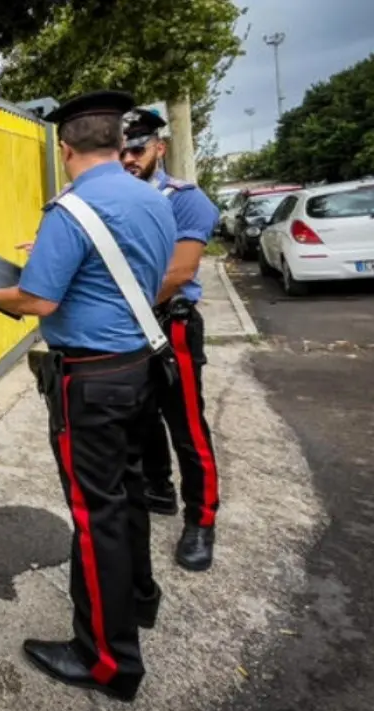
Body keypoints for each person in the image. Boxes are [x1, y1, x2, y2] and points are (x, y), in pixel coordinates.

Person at [0, 90, 177, 702]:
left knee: (95, 514)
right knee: (129, 495)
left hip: (93, 381)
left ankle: (109, 662)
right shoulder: (151, 198)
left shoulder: (72, 209)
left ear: (65, 148)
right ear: (119, 142)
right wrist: (53, 263)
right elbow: (138, 274)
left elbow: (37, 301)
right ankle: (139, 601)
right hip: (140, 366)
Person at [121, 108, 222, 571]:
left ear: (159, 148)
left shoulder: (184, 199)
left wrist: (126, 309)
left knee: (186, 425)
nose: (129, 159)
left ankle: (201, 522)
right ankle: (158, 490)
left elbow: (179, 273)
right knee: (140, 417)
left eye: (137, 149)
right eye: (121, 150)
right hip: (128, 325)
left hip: (169, 323)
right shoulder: (113, 199)